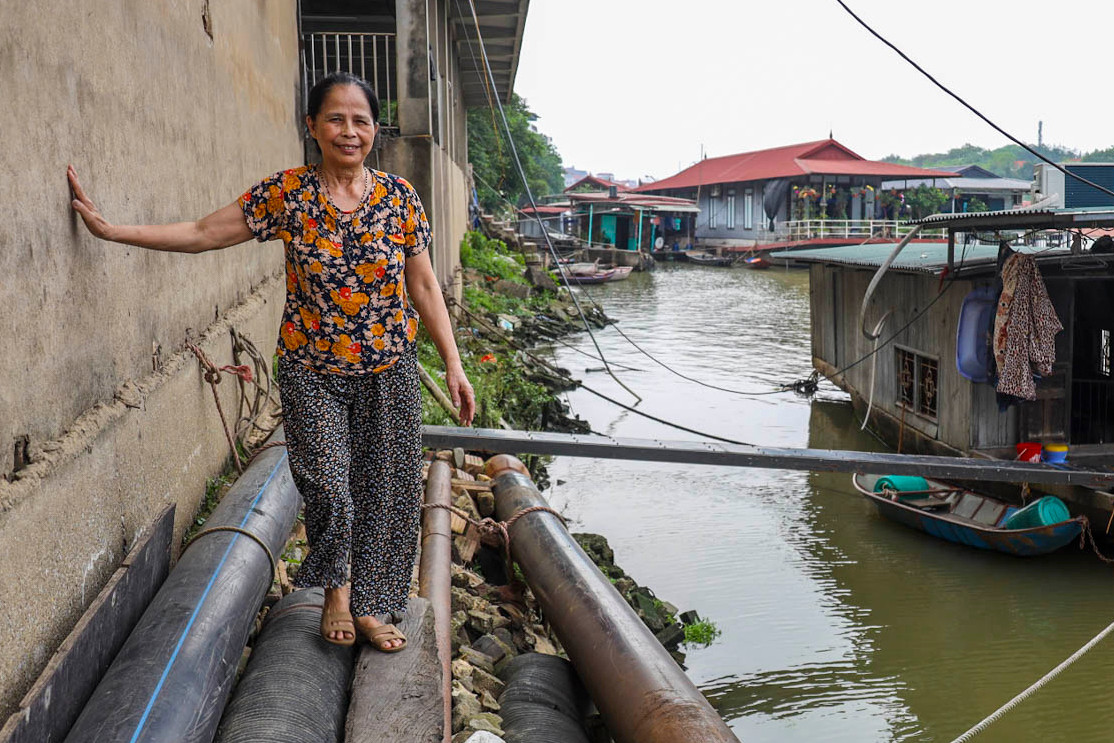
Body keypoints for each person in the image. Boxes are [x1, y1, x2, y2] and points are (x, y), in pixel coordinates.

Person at [68, 72, 475, 652]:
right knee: (330, 487)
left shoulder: (400, 199)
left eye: (360, 120)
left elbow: (425, 287)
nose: (349, 131)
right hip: (313, 368)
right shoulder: (287, 194)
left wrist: (454, 366)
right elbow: (205, 232)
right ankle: (336, 588)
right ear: (312, 127)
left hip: (390, 369)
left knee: (388, 490)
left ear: (375, 130)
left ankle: (372, 606)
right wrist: (113, 231)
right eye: (335, 118)